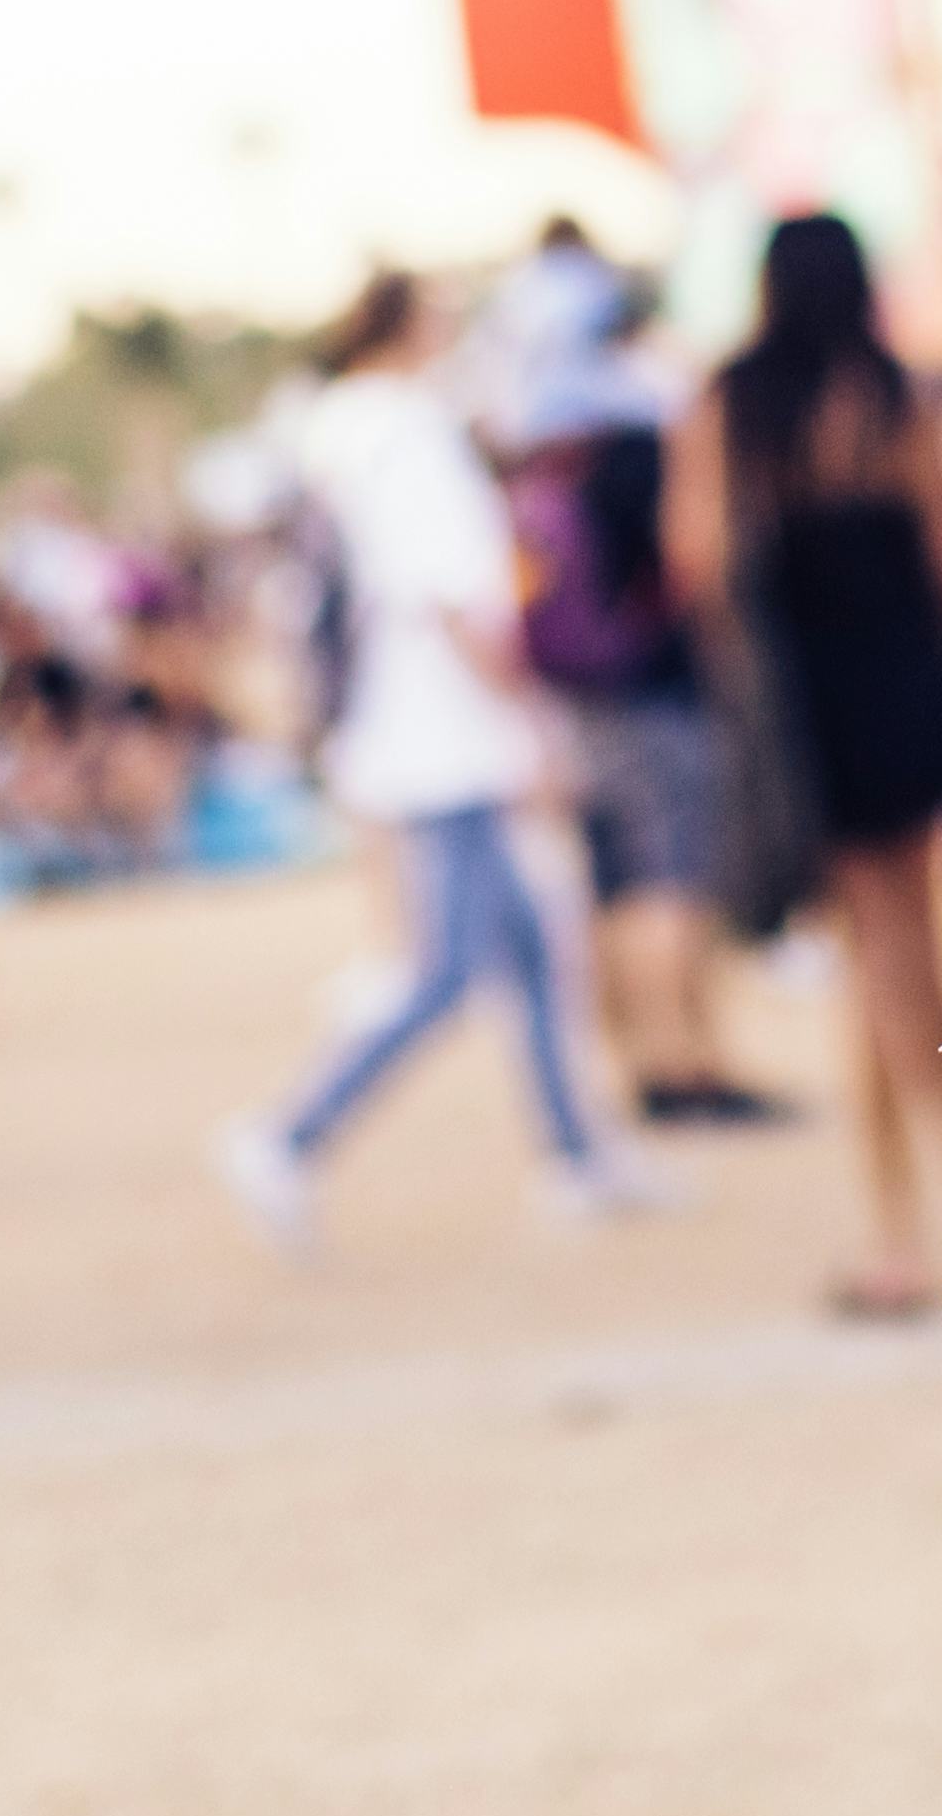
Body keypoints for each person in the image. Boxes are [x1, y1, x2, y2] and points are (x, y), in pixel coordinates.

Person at [215, 272, 656, 1256]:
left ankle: (577, 1152)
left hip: (419, 733)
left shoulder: (349, 433)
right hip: (443, 739)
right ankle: (290, 1136)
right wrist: (527, 716)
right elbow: (450, 597)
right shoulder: (403, 436)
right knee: (447, 970)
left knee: (531, 952)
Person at [676, 214, 942, 1319]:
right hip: (900, 689)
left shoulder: (733, 404)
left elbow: (700, 561)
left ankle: (927, 1224)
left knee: (882, 961)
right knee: (908, 952)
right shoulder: (893, 395)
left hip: (809, 713)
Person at [514, 336, 771, 1128]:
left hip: (587, 707)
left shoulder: (550, 474)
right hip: (658, 698)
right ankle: (688, 1065)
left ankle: (641, 1061)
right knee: (674, 883)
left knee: (619, 886)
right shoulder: (647, 460)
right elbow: (691, 564)